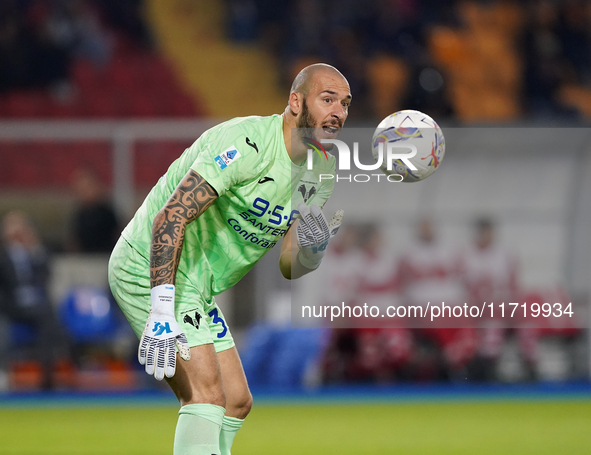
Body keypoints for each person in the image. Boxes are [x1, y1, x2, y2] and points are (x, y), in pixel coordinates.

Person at [108, 63, 351, 454]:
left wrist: (313, 247)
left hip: (197, 285)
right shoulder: (247, 143)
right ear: (295, 102)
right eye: (327, 99)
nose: (338, 112)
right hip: (149, 264)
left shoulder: (321, 170)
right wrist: (162, 307)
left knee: (237, 401)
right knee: (205, 396)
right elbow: (171, 216)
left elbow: (290, 266)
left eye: (344, 103)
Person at [0, 211, 64, 390]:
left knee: (49, 318)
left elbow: (46, 275)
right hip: (10, 306)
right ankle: (3, 371)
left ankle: (48, 374)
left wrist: (33, 248)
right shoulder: (3, 256)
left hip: (36, 305)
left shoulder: (34, 254)